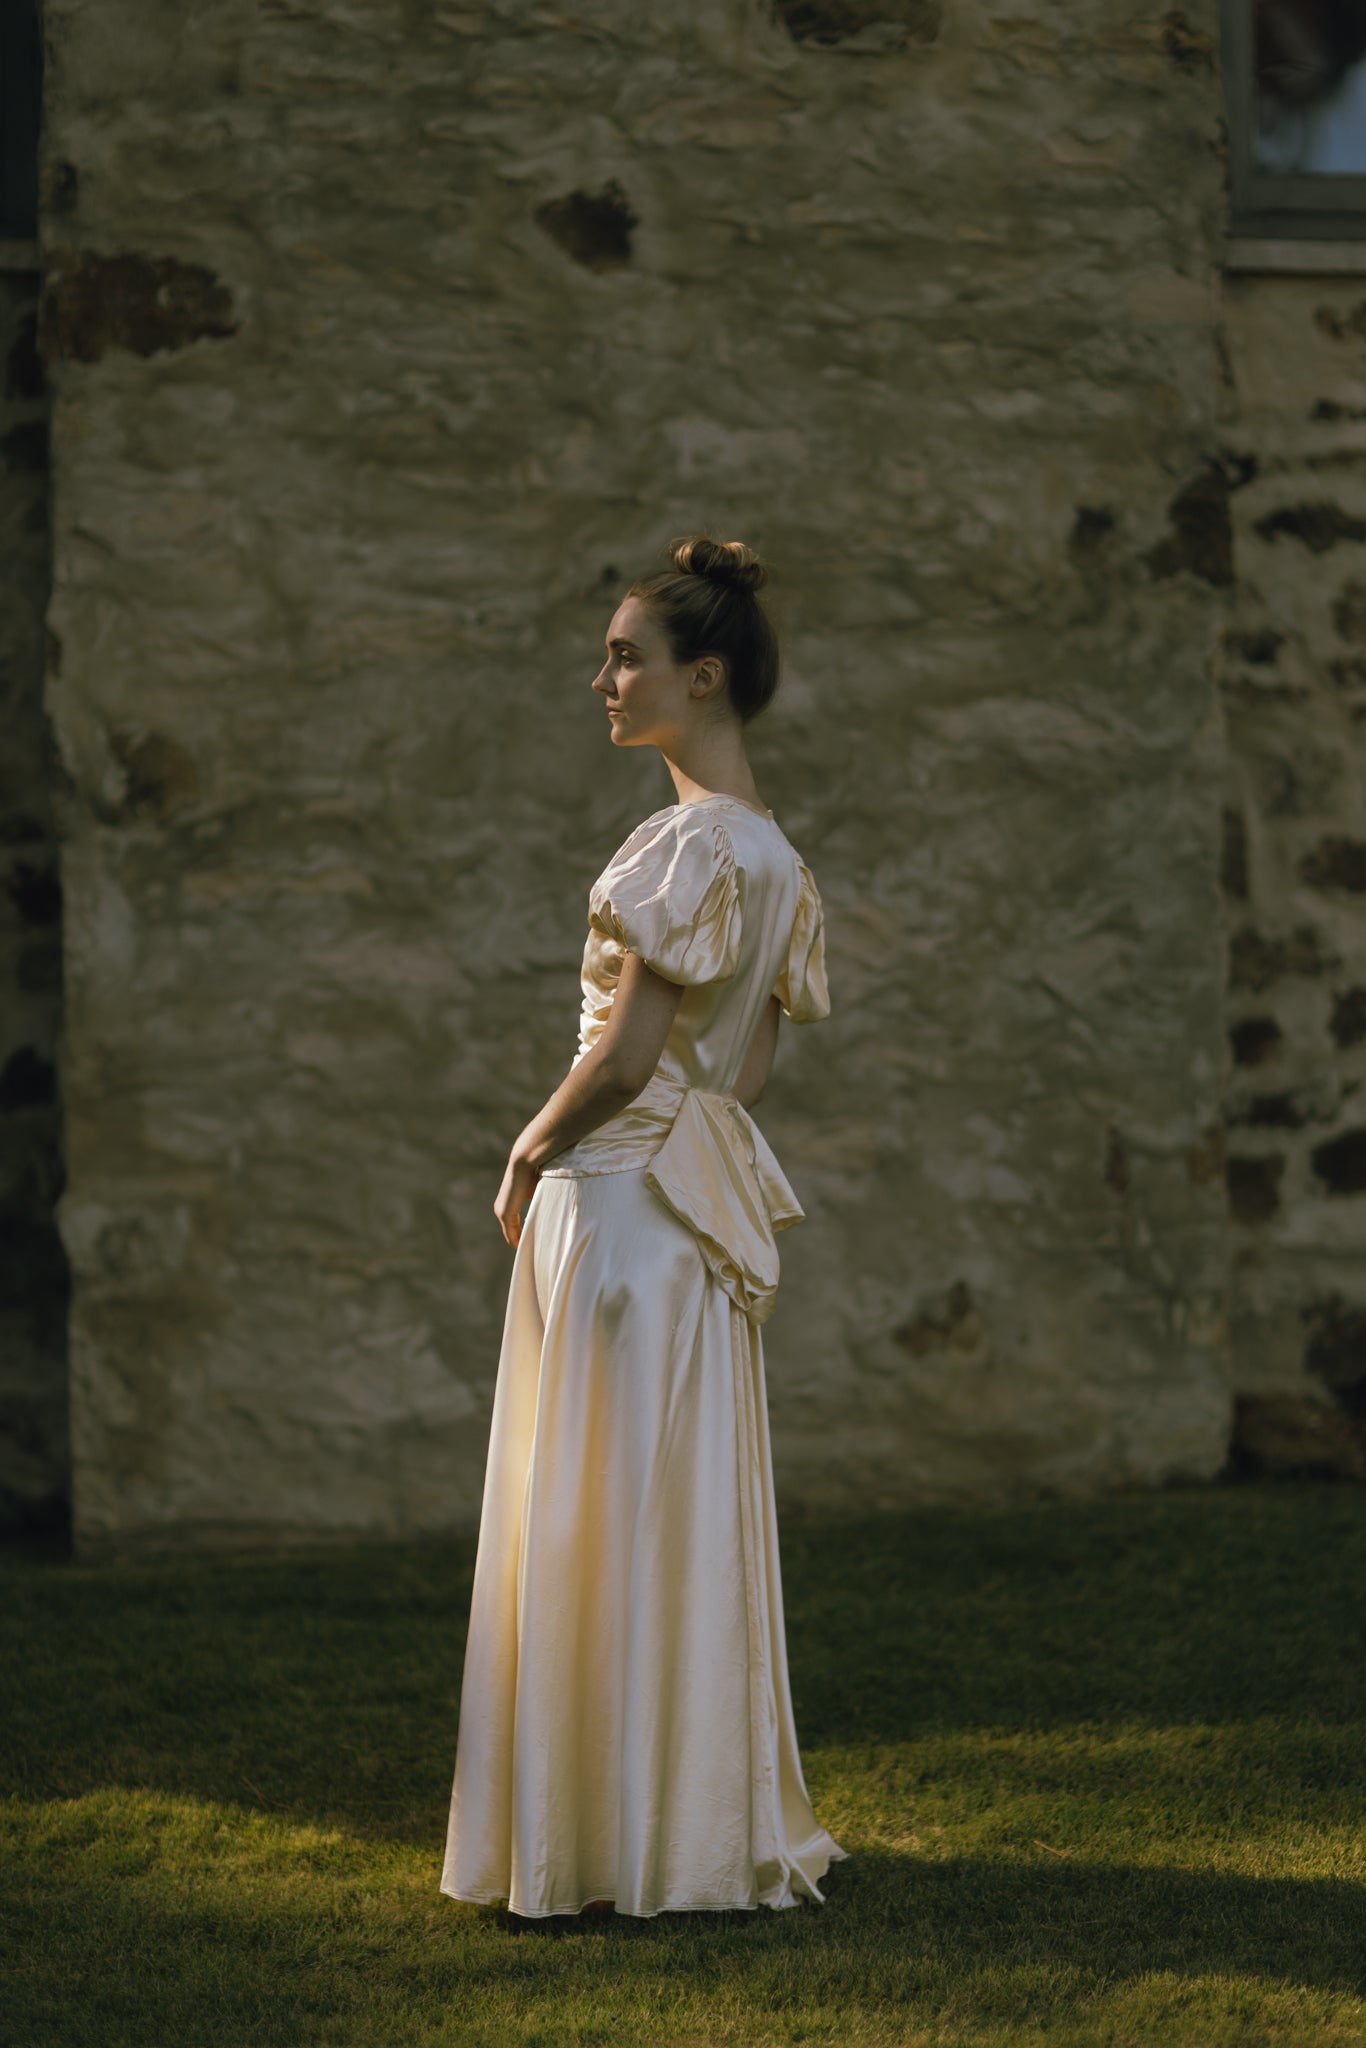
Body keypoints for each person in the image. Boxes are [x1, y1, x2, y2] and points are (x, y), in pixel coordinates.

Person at [440, 534, 849, 1921]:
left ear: (703, 675)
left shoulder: (686, 846)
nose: (603, 678)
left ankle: (590, 1842)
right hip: (683, 1215)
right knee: (657, 1513)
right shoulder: (775, 858)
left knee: (586, 1515)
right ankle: (667, 1831)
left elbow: (626, 1058)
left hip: (615, 1209)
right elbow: (742, 1078)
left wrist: (530, 1143)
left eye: (628, 657)